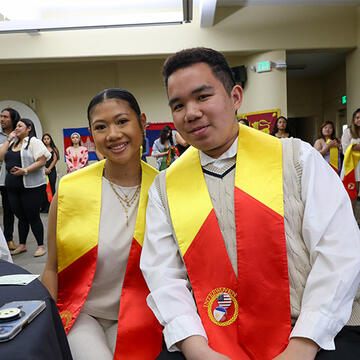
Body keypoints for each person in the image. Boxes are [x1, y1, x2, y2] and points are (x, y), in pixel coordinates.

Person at [140, 47, 360, 360]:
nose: (190, 113)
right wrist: (196, 348)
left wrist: (304, 343)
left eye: (202, 97)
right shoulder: (166, 186)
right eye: (178, 105)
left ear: (235, 97)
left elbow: (339, 253)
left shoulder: (296, 160)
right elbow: (163, 275)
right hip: (211, 332)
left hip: (310, 328)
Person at [42, 88, 162, 360]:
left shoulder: (163, 190)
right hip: (81, 310)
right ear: (91, 134)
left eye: (122, 121)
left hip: (143, 310)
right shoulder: (71, 190)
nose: (113, 134)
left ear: (142, 122)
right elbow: (51, 268)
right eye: (101, 126)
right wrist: (47, 324)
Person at [0, 118, 51, 257]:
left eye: (20, 126)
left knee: (33, 216)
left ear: (29, 128)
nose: (16, 128)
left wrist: (25, 170)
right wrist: (8, 140)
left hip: (31, 186)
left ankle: (40, 246)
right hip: (12, 185)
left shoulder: (34, 141)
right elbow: (0, 157)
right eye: (16, 126)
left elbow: (42, 161)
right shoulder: (12, 143)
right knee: (20, 216)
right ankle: (22, 245)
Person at [0, 108, 20, 251]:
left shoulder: (20, 136)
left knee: (9, 211)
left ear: (13, 119)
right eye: (1, 116)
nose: (2, 119)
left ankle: (8, 240)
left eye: (5, 117)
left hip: (9, 179)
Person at [341, 108, 360, 209]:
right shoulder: (348, 131)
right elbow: (344, 149)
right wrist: (353, 147)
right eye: (357, 117)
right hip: (352, 165)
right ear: (353, 119)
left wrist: (356, 147)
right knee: (352, 192)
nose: (359, 119)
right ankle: (352, 218)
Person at [41, 133, 59, 213]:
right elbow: (40, 160)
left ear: (50, 139)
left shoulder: (54, 149)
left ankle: (53, 207)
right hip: (43, 171)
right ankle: (45, 208)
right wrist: (44, 169)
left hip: (51, 171)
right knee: (43, 189)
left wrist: (49, 169)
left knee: (52, 188)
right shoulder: (41, 149)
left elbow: (55, 160)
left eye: (48, 138)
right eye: (44, 139)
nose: (46, 140)